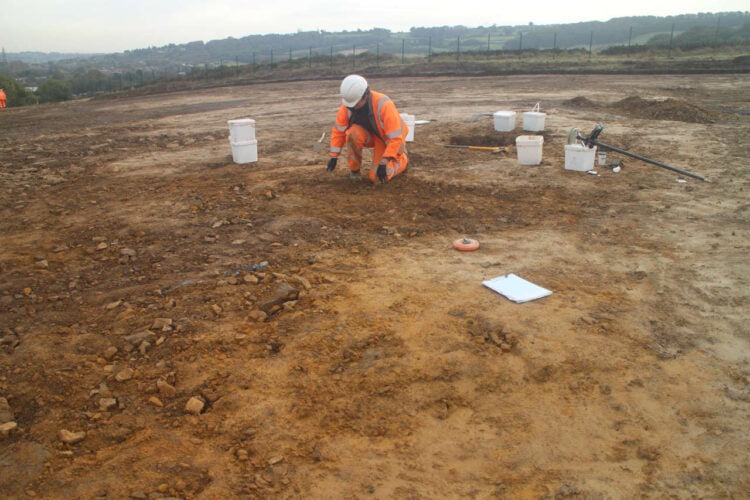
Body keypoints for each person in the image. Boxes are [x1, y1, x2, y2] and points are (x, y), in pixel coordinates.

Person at [326, 75, 409, 183]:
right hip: (370, 136)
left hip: (387, 140)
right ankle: (354, 171)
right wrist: (334, 156)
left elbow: (396, 139)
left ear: (365, 95)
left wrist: (386, 159)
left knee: (377, 178)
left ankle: (403, 160)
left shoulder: (384, 105)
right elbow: (339, 131)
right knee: (352, 134)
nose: (352, 108)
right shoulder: (348, 106)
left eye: (355, 104)